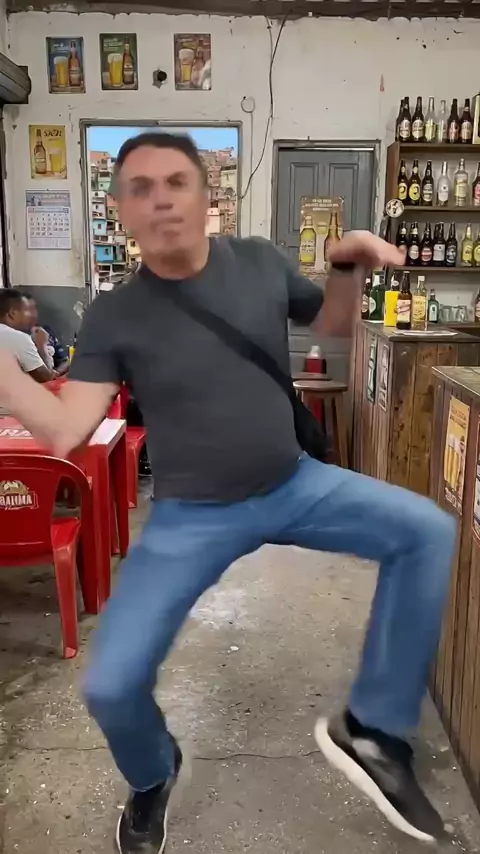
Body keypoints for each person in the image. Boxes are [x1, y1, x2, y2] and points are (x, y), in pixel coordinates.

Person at [0, 133, 456, 853]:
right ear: (120, 211)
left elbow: (334, 324)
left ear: (206, 196)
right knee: (110, 686)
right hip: (191, 516)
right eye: (140, 188)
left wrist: (345, 263)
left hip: (293, 483)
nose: (161, 200)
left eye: (175, 182)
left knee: (426, 530)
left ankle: (373, 728)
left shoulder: (258, 261)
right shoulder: (116, 314)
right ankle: (153, 774)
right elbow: (64, 429)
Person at [0, 288, 55, 384]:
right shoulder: (18, 338)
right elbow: (46, 379)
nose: (30, 315)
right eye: (26, 310)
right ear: (12, 313)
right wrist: (42, 346)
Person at [25, 294, 70, 376]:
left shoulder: (45, 330)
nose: (33, 313)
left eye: (34, 308)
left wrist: (56, 373)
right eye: (27, 309)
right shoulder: (17, 336)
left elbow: (65, 361)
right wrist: (41, 345)